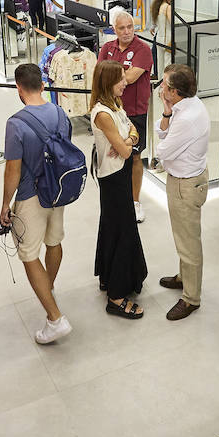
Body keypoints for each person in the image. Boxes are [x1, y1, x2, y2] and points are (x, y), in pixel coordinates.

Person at [1, 63, 74, 344]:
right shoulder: (59, 113)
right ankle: (49, 289)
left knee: (29, 254)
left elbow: (12, 171)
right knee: (53, 242)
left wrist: (4, 204)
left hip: (31, 195)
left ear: (19, 89)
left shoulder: (16, 123)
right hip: (57, 191)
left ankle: (55, 318)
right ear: (43, 85)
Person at [89, 60, 149, 319]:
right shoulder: (103, 114)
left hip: (120, 174)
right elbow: (126, 152)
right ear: (108, 82)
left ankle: (108, 276)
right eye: (121, 80)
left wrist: (128, 139)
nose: (126, 82)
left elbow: (133, 133)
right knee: (122, 230)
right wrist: (128, 143)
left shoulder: (116, 105)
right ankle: (116, 296)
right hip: (113, 178)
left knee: (114, 227)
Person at [156, 64, 211, 321]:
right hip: (184, 180)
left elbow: (162, 151)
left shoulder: (188, 118)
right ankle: (183, 277)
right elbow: (163, 131)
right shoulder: (185, 106)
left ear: (174, 91)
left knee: (188, 242)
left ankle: (191, 298)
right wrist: (167, 112)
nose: (160, 87)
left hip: (185, 185)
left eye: (164, 84)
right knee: (182, 236)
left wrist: (164, 134)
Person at [98, 9, 153, 222]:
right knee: (112, 154)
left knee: (135, 156)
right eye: (122, 28)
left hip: (134, 111)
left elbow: (128, 78)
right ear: (114, 29)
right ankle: (118, 200)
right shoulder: (107, 48)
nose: (127, 31)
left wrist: (111, 75)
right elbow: (99, 74)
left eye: (130, 27)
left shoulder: (143, 49)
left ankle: (135, 201)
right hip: (111, 111)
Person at [150, 0, 174, 72]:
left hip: (159, 38)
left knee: (160, 66)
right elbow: (173, 24)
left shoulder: (158, 6)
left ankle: (160, 85)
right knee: (168, 65)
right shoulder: (168, 7)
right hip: (168, 39)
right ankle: (166, 85)